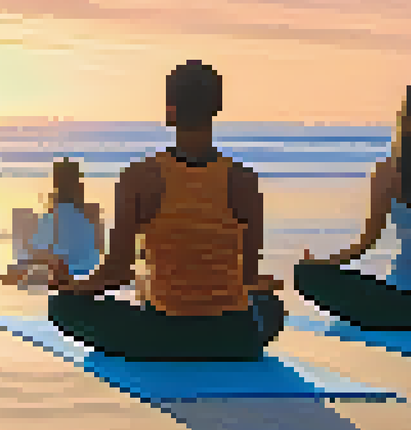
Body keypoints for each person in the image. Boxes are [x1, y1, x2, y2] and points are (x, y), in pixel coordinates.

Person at [46, 61, 285, 360]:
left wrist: (70, 287)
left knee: (61, 307)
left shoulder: (140, 177)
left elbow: (117, 272)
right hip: (233, 336)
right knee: (271, 305)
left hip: (161, 336)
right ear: (217, 108)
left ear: (169, 111)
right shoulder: (244, 180)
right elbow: (248, 276)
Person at [295, 76, 411, 330]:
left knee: (306, 275)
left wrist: (321, 263)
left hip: (401, 305)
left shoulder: (390, 171)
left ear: (408, 119)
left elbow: (364, 245)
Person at [4, 158, 104, 288]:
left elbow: (95, 246)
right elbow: (98, 246)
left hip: (74, 267)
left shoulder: (85, 211)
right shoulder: (89, 211)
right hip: (75, 266)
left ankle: (42, 269)